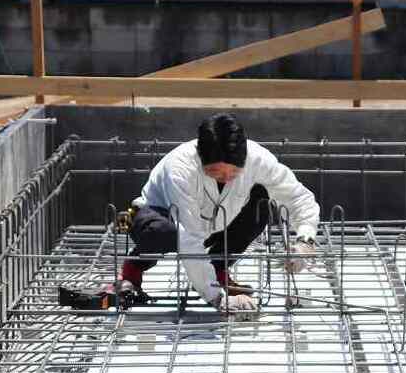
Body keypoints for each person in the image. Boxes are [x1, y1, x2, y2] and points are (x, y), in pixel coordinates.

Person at [117, 113, 320, 317]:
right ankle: (133, 268)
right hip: (157, 218)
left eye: (234, 174)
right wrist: (217, 297)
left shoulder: (257, 159)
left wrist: (305, 240)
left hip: (214, 224)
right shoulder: (180, 168)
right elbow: (188, 236)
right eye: (216, 173)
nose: (226, 179)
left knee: (261, 201)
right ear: (201, 158)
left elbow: (296, 196)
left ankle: (218, 270)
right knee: (162, 233)